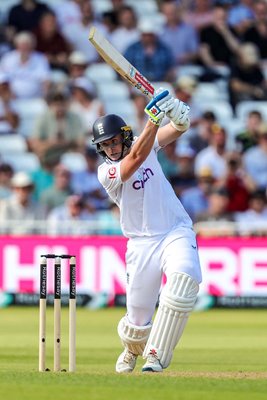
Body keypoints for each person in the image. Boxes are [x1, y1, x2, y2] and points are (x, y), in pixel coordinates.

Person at [91, 88, 202, 373]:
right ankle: (132, 349)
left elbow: (177, 129)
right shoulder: (107, 172)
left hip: (174, 230)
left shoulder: (146, 143)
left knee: (182, 283)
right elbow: (135, 161)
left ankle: (156, 355)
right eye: (105, 145)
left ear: (124, 136)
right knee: (136, 323)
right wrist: (153, 118)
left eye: (115, 141)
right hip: (140, 244)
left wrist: (179, 116)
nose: (112, 149)